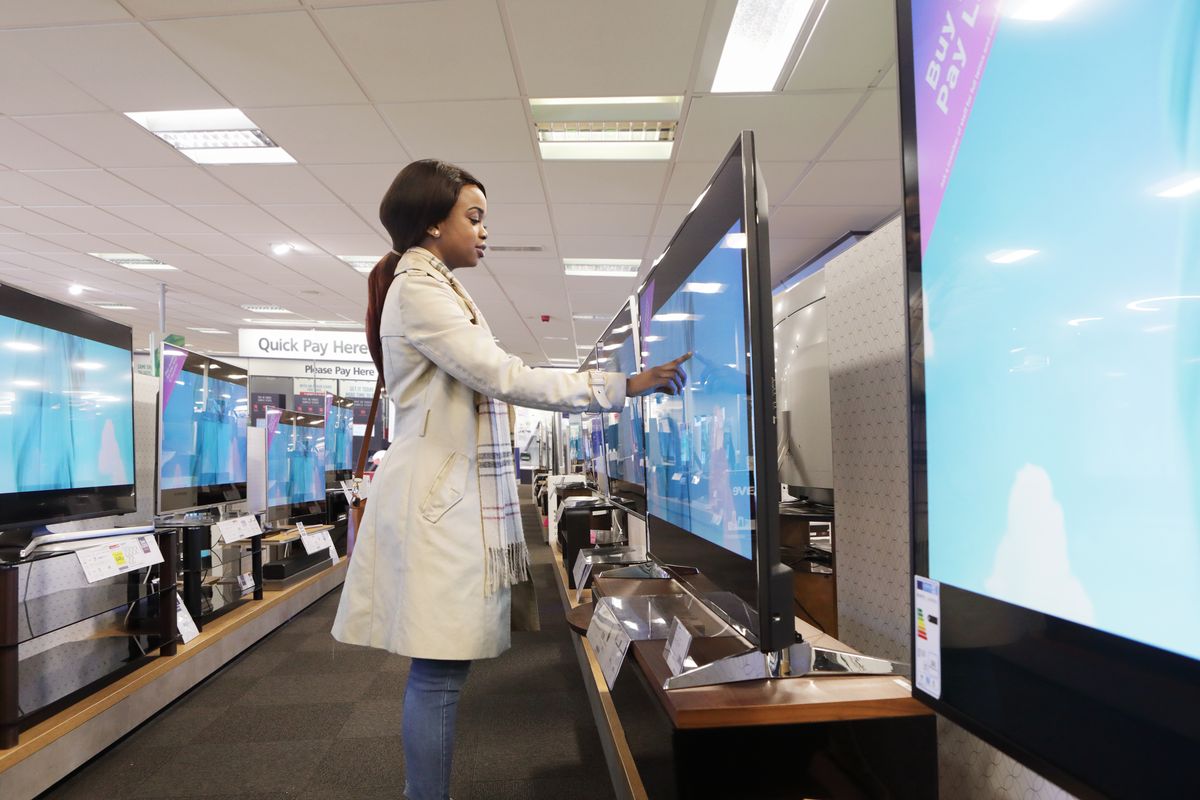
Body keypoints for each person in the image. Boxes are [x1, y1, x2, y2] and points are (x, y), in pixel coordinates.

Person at [331, 159, 689, 800]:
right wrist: (619, 386)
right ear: (434, 224)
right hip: (437, 498)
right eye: (473, 217)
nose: (483, 231)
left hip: (441, 490)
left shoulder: (433, 286)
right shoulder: (420, 289)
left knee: (442, 666)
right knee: (439, 668)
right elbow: (502, 375)